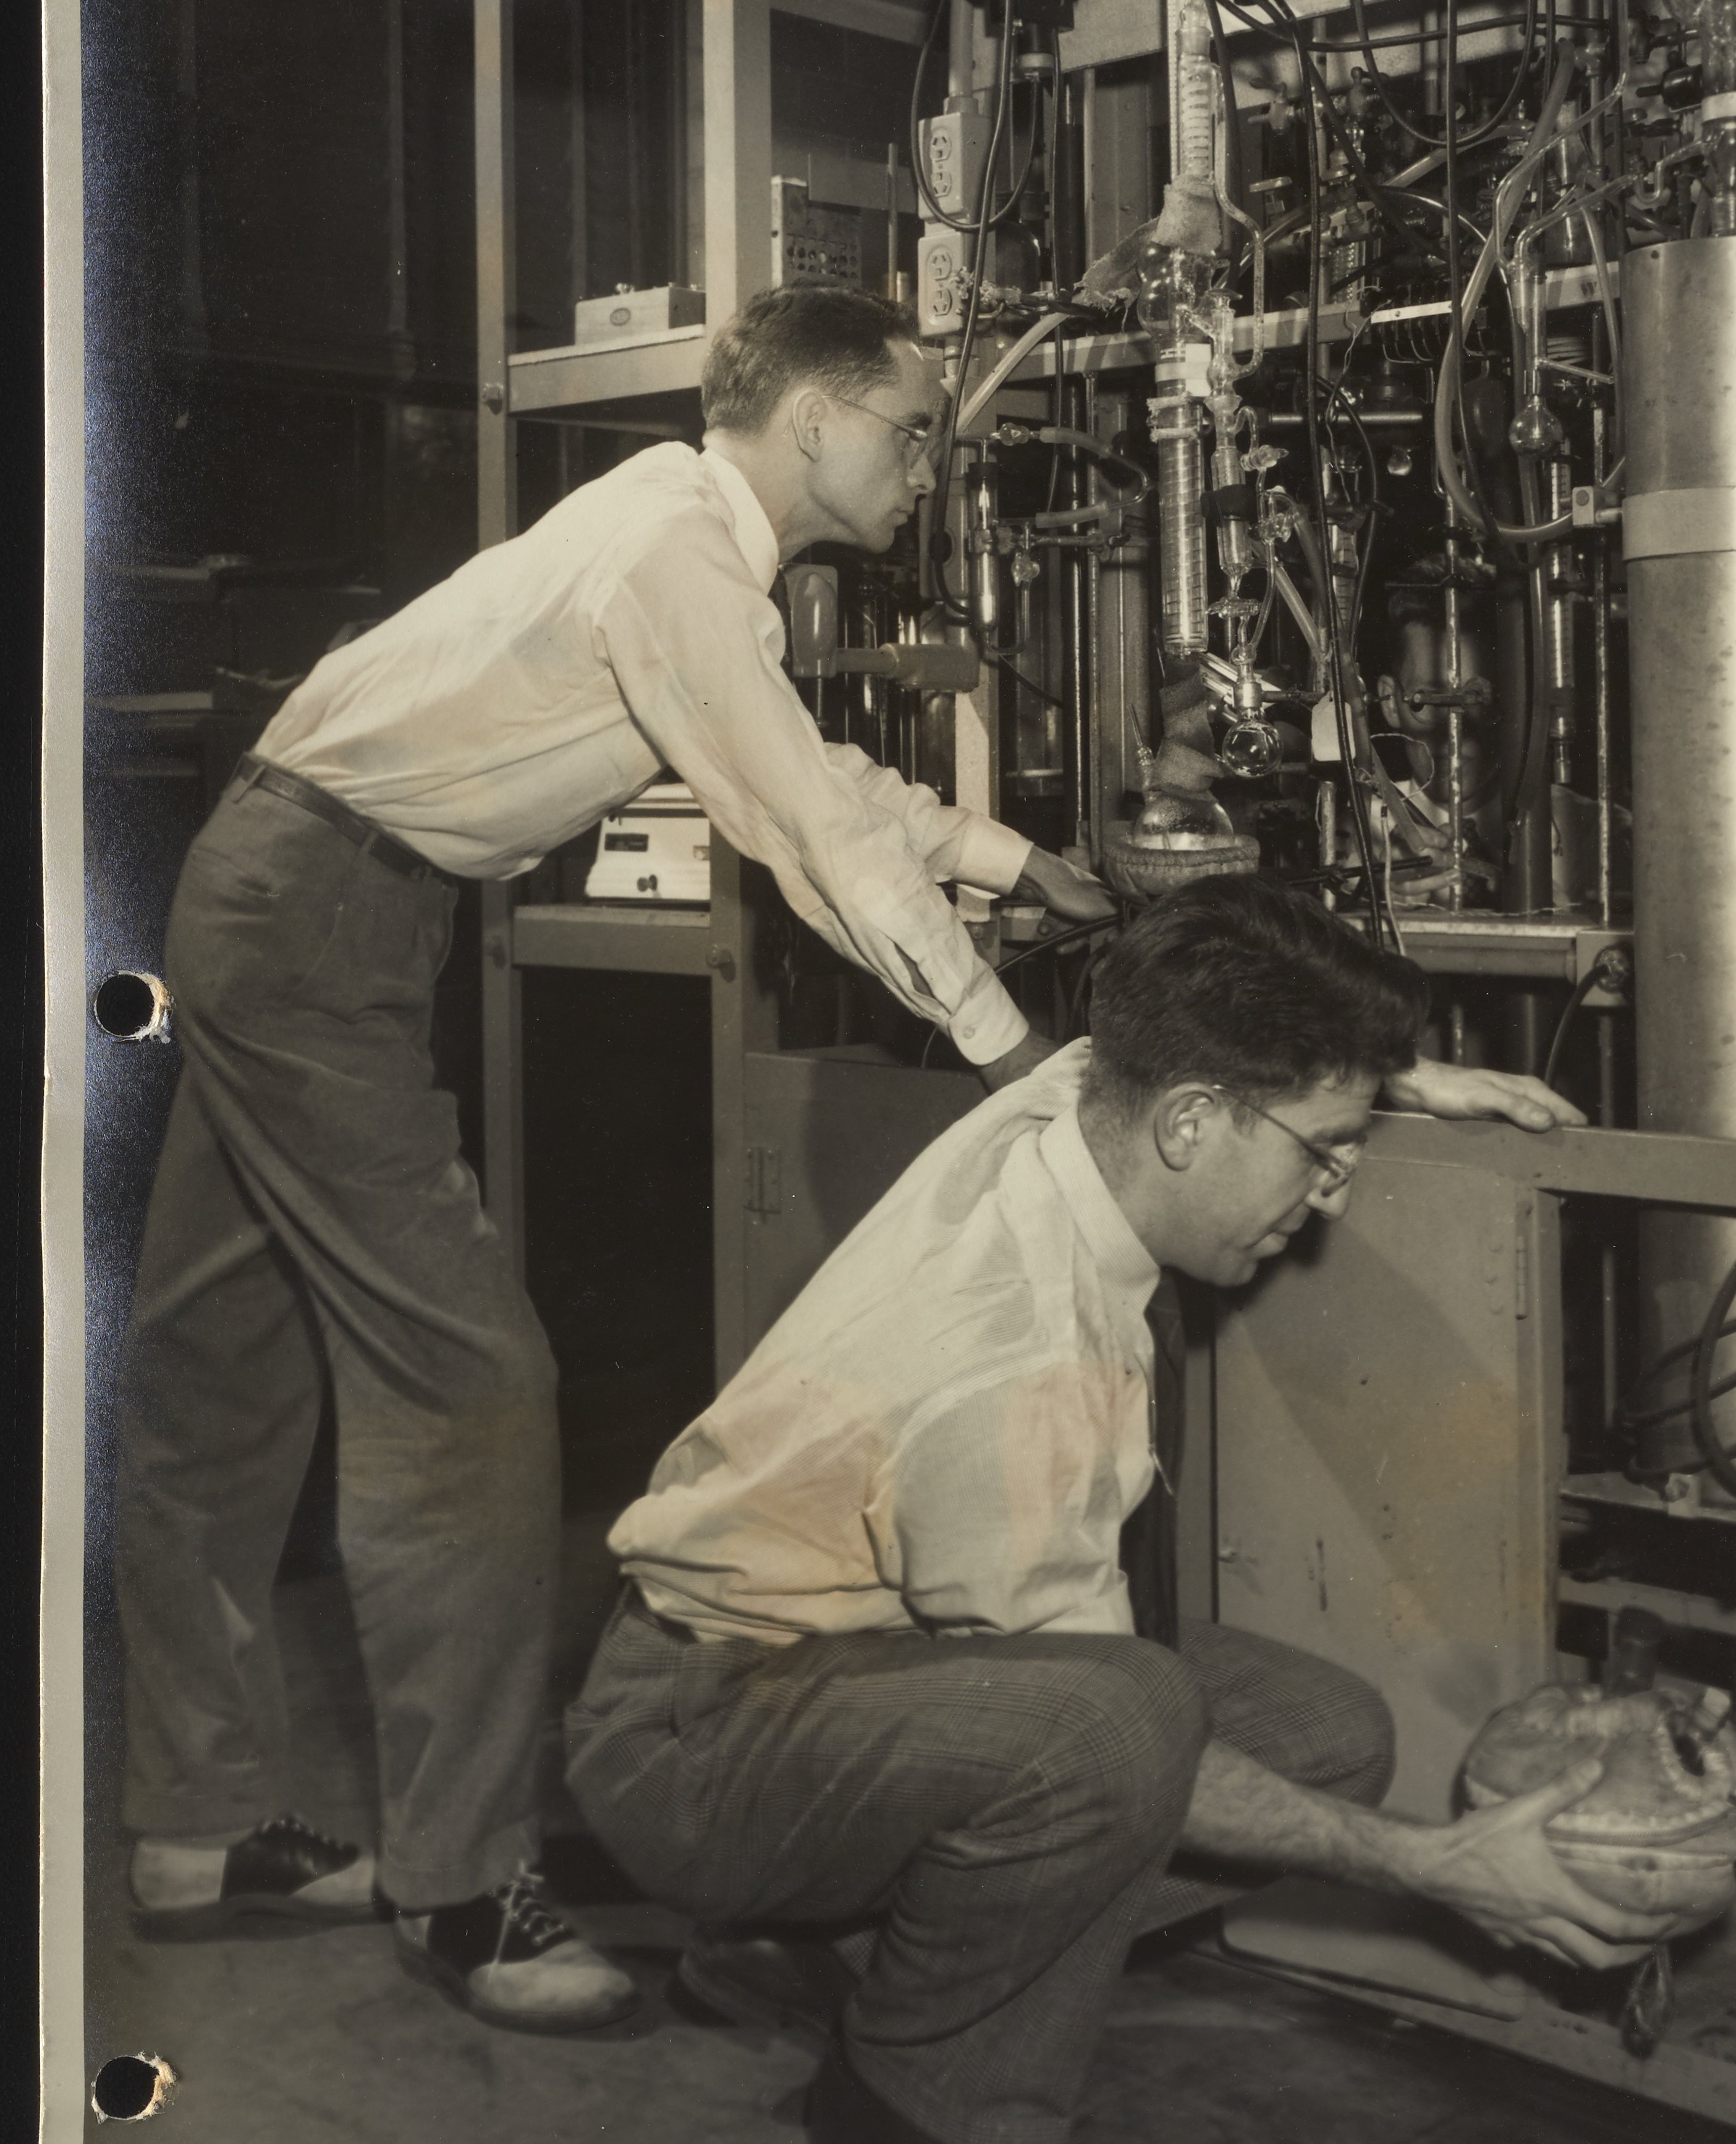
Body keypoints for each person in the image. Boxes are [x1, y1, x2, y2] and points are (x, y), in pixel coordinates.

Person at [112, 285, 1109, 2034]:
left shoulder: (677, 544)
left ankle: (191, 1833)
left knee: (220, 1367)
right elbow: (801, 821)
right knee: (473, 1388)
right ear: (813, 421)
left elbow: (797, 760)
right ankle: (457, 1884)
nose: (925, 470)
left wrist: (1003, 858)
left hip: (296, 891)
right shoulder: (674, 555)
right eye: (909, 433)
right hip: (318, 916)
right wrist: (1007, 1052)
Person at [564, 878, 1644, 2144]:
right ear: (1191, 1123)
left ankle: (834, 1952)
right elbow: (1118, 1731)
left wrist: (1391, 1078)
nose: (1336, 1188)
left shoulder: (1079, 1109)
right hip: (698, 1734)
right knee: (1121, 1723)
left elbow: (1150, 1023)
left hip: (847, 1676)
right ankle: (923, 2111)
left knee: (1321, 1734)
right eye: (1324, 1148)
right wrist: (1431, 1867)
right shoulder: (1017, 1361)